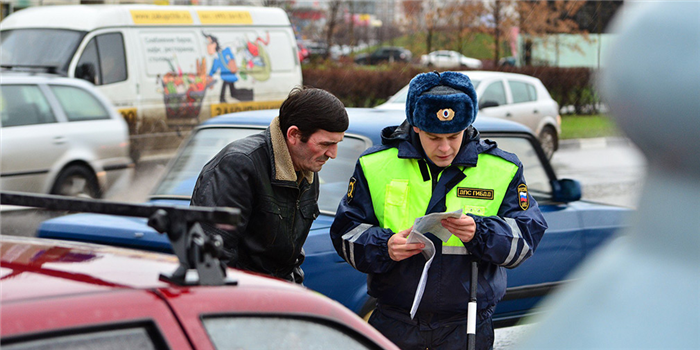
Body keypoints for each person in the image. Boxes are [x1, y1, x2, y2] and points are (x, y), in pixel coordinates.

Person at [330, 71, 548, 350]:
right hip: (395, 321)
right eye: (434, 137)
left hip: (467, 326)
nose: (445, 148)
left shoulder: (502, 169)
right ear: (416, 126)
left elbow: (526, 239)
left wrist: (480, 233)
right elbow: (345, 233)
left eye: (454, 136)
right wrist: (385, 247)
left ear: (467, 126)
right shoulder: (375, 165)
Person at [191, 87, 348, 284]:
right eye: (325, 144)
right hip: (241, 299)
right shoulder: (239, 165)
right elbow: (212, 255)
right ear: (293, 135)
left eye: (337, 143)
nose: (333, 154)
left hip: (274, 295)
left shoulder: (306, 169)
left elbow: (289, 256)